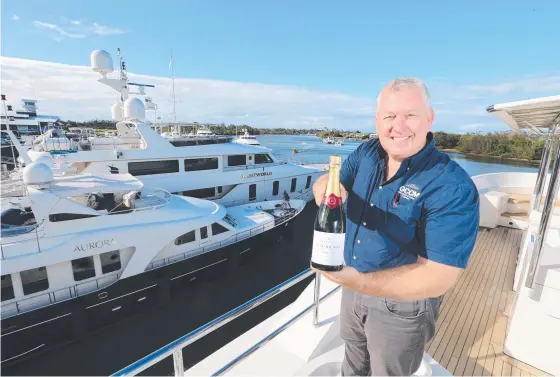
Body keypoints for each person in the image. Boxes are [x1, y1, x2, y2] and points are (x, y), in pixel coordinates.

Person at [312, 77, 480, 376]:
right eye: (389, 116)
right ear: (377, 120)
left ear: (429, 119)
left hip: (401, 307)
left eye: (410, 115)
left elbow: (437, 278)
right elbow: (332, 182)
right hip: (352, 285)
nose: (398, 126)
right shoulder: (366, 153)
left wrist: (360, 282)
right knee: (353, 359)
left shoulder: (452, 186)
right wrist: (325, 189)